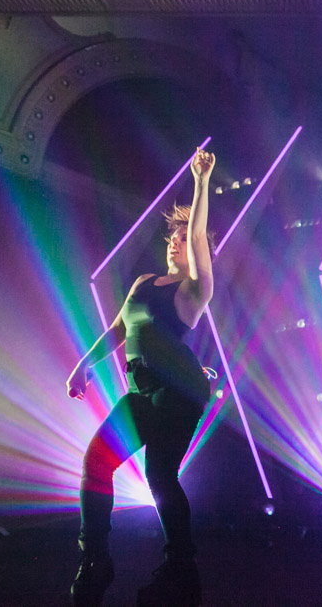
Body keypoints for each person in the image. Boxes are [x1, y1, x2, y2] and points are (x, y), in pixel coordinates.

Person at [66, 147, 216, 607]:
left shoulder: (195, 291)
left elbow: (197, 234)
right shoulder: (143, 283)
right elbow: (118, 329)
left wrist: (200, 181)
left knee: (160, 476)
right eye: (172, 237)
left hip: (180, 391)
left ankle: (179, 570)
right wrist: (84, 365)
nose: (176, 242)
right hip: (140, 389)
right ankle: (97, 560)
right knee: (100, 463)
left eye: (184, 240)